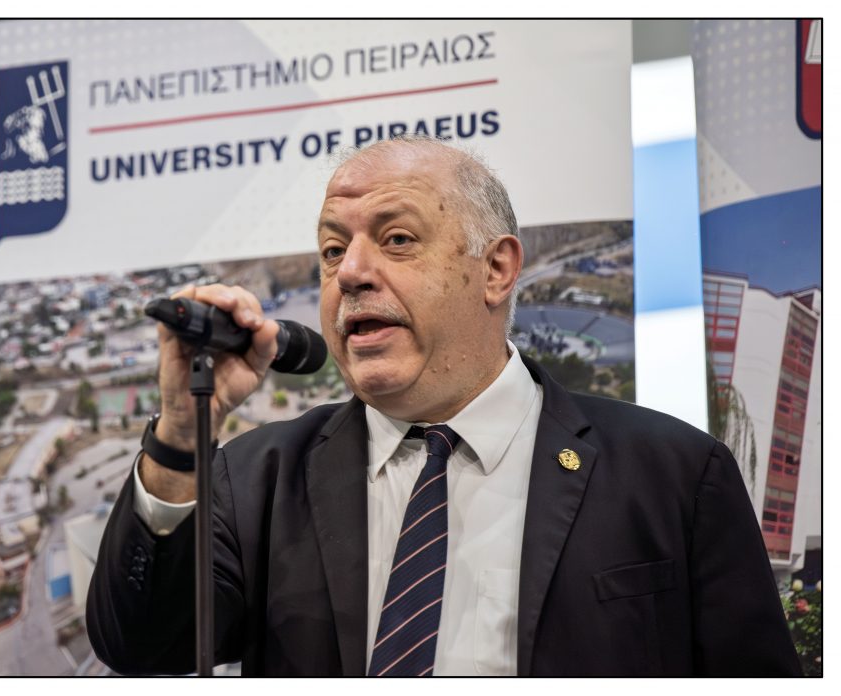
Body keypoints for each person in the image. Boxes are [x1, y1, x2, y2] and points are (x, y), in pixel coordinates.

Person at [86, 136, 800, 676]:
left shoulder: (672, 474)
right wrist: (181, 434)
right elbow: (141, 647)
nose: (351, 273)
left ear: (496, 269)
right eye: (332, 251)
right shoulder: (257, 479)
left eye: (397, 240)